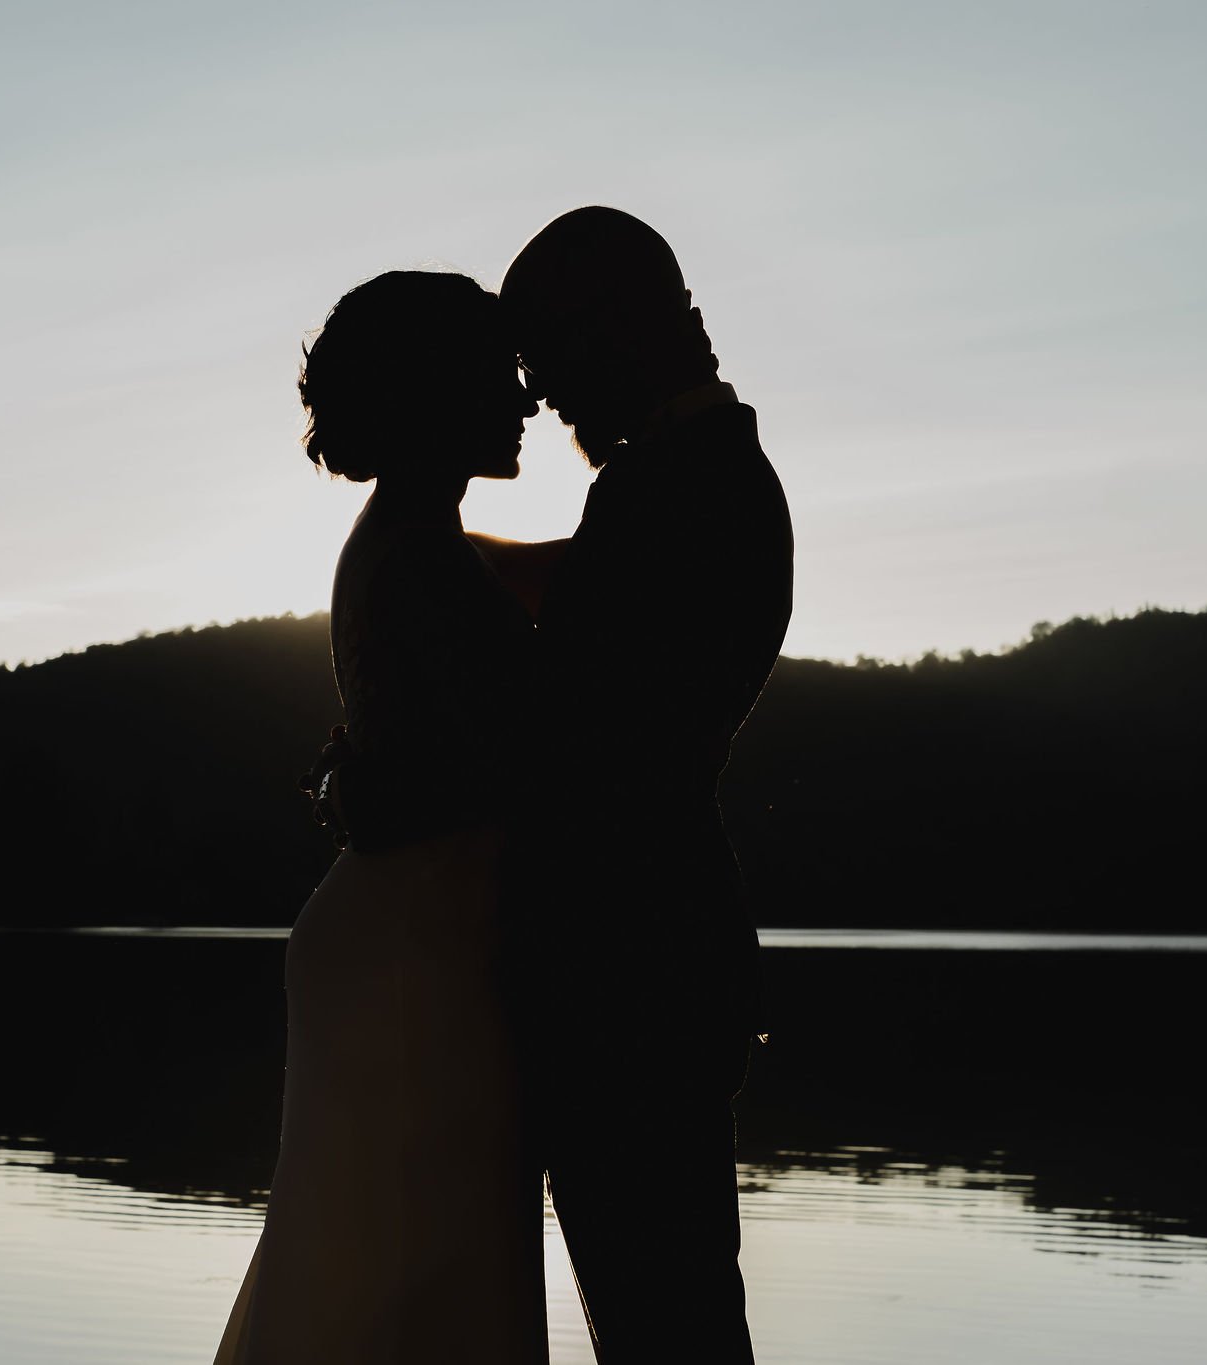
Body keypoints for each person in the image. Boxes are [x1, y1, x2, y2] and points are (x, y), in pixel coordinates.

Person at [315, 207, 793, 1362]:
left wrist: (376, 789)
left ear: (629, 326)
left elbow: (573, 750)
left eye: (548, 354)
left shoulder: (686, 491)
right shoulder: (674, 481)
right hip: (612, 979)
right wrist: (410, 552)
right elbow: (537, 629)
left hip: (631, 982)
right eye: (513, 365)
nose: (538, 391)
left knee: (667, 1327)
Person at [214, 269, 550, 1365]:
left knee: (394, 1272)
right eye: (501, 377)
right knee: (410, 1277)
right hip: (420, 956)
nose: (528, 401)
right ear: (435, 390)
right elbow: (466, 779)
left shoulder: (415, 542)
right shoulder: (414, 556)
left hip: (406, 939)